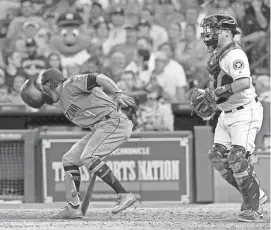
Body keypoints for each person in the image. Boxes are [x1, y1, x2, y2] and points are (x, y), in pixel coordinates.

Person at [20, 68, 137, 219]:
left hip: (113, 122)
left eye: (44, 88)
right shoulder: (61, 99)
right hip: (98, 127)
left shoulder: (71, 84)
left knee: (88, 157)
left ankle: (124, 194)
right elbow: (40, 99)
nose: (44, 92)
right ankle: (73, 207)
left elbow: (99, 77)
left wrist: (118, 92)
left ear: (50, 84)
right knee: (69, 160)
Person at [200, 14, 267, 222]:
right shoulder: (216, 54)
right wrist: (209, 99)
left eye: (214, 29)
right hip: (226, 113)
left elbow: (244, 83)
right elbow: (218, 87)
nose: (208, 33)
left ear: (227, 32)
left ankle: (253, 208)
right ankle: (256, 195)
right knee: (218, 158)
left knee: (237, 159)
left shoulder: (235, 55)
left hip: (244, 111)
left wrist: (217, 91)